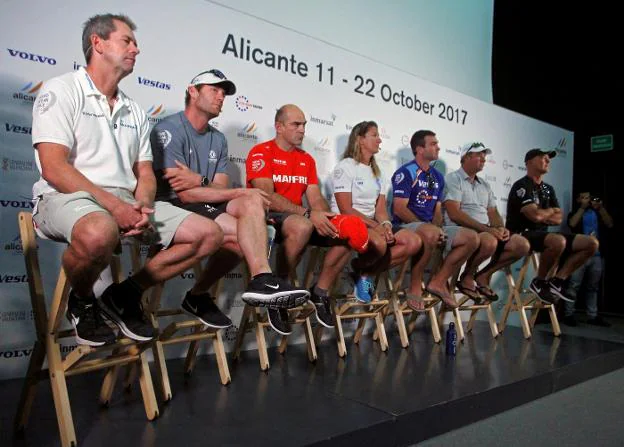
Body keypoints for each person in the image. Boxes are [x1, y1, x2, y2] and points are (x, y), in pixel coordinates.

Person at [30, 14, 224, 347]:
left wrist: (143, 206)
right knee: (99, 230)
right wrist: (117, 208)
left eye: (134, 42)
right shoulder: (62, 89)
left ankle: (123, 295)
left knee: (209, 234)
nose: (136, 48)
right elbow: (54, 168)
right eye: (127, 41)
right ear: (98, 43)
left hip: (124, 200)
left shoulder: (134, 109)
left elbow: (145, 173)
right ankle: (81, 301)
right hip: (65, 197)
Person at [150, 69, 308, 329]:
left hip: (202, 202)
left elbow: (219, 189)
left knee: (252, 203)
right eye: (214, 90)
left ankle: (260, 279)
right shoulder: (170, 129)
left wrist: (200, 180)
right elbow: (184, 192)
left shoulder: (218, 138)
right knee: (243, 232)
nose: (221, 96)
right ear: (193, 91)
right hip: (171, 205)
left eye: (224, 92)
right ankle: (200, 295)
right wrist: (216, 187)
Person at [246, 104, 367, 335]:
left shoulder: (307, 159)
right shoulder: (261, 152)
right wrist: (310, 215)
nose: (302, 130)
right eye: (296, 124)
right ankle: (276, 290)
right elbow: (266, 197)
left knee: (348, 230)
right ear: (279, 127)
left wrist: (327, 216)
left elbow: (315, 197)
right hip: (268, 217)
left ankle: (320, 292)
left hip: (300, 216)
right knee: (302, 226)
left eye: (304, 125)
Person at [330, 121, 423, 303]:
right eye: (374, 135)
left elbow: (380, 210)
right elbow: (345, 209)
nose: (380, 140)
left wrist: (386, 225)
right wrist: (375, 227)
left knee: (413, 242)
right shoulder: (346, 166)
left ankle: (364, 272)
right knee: (380, 242)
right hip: (346, 222)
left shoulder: (378, 172)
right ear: (360, 139)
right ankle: (360, 268)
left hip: (371, 224)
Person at [391, 130, 479, 311]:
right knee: (430, 232)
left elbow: (437, 210)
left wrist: (438, 228)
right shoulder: (406, 172)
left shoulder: (438, 176)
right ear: (419, 149)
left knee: (472, 238)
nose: (438, 147)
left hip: (430, 227)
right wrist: (426, 227)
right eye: (433, 144)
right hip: (406, 226)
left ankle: (438, 281)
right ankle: (415, 285)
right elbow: (399, 208)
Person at [506, 149, 599, 305]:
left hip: (543, 235)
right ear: (529, 162)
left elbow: (558, 218)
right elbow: (535, 216)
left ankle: (557, 281)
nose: (547, 161)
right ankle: (539, 281)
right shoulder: (521, 185)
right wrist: (549, 212)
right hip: (522, 235)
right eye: (543, 158)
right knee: (558, 241)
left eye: (548, 159)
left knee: (591, 243)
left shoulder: (548, 189)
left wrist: (543, 214)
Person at [443, 142, 530, 302]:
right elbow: (454, 214)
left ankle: (484, 275)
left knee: (521, 245)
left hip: (485, 230)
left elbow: (493, 212)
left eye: (485, 155)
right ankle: (467, 277)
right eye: (479, 154)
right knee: (489, 241)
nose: (484, 158)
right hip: (462, 230)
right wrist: (488, 230)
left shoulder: (485, 184)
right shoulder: (453, 179)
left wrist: (500, 228)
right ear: (466, 157)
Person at [562, 191, 614, 326]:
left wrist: (601, 208)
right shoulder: (575, 213)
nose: (587, 200)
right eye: (584, 197)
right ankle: (569, 314)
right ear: (578, 200)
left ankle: (593, 315)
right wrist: (582, 208)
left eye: (589, 198)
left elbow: (609, 224)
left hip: (597, 255)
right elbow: (572, 224)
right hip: (579, 255)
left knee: (593, 287)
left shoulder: (597, 212)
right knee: (574, 285)